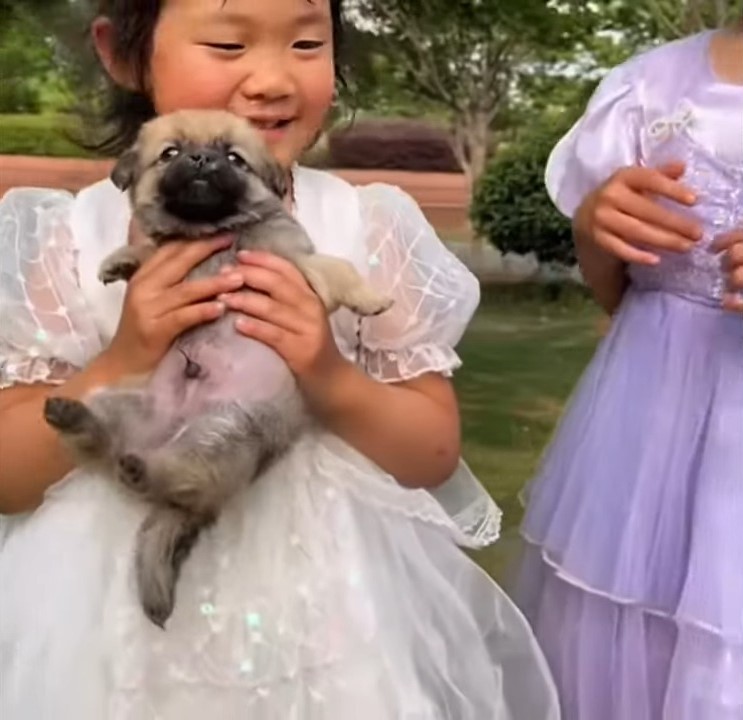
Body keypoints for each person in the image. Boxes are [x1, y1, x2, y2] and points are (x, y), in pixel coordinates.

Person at [0, 1, 560, 718]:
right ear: (121, 54)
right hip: (104, 630)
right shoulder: (71, 242)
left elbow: (431, 455)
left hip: (321, 610)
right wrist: (122, 355)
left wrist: (327, 376)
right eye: (227, 43)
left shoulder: (366, 226)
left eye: (305, 41)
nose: (270, 78)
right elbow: (11, 479)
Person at [515, 25, 743, 720]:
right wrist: (595, 227)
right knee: (631, 647)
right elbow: (616, 293)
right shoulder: (646, 89)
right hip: (648, 425)